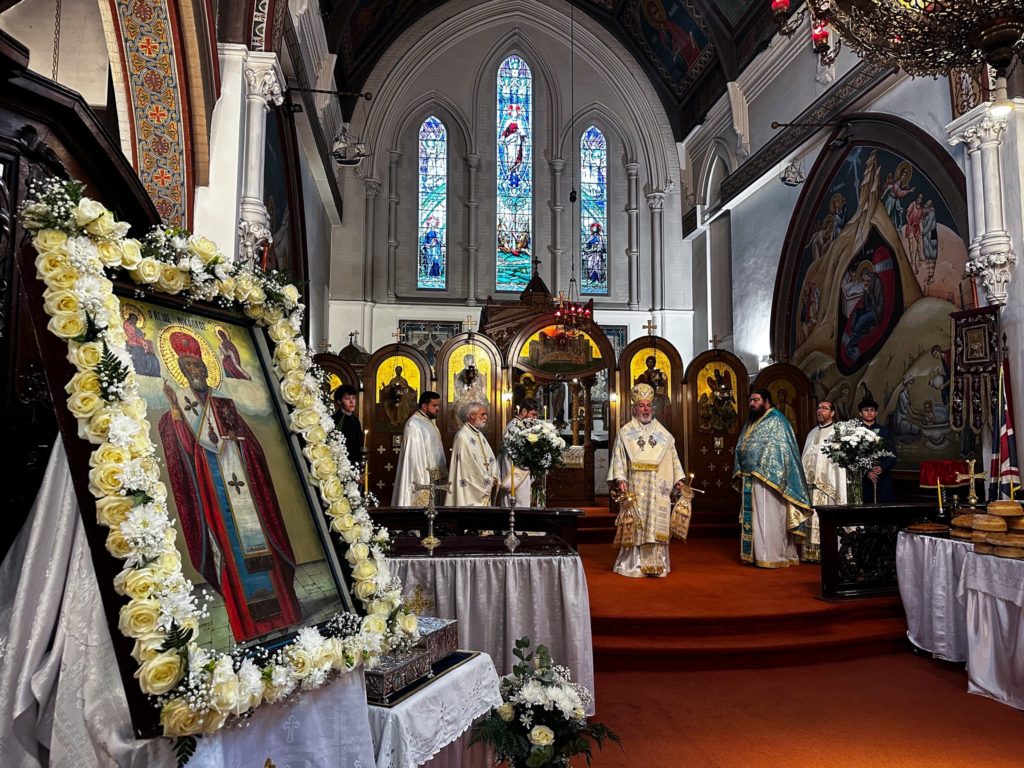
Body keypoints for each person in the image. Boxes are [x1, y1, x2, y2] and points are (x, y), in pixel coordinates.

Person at [157, 328, 302, 642]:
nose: (195, 371)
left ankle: (283, 615)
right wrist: (174, 410)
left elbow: (252, 448)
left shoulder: (224, 404)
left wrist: (238, 444)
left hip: (244, 492)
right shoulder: (180, 406)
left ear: (208, 370)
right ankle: (249, 625)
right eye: (188, 368)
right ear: (182, 373)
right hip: (214, 493)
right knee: (229, 549)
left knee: (260, 549)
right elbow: (183, 448)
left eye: (199, 366)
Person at [607, 384, 685, 578]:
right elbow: (618, 457)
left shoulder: (664, 435)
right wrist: (620, 478)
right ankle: (634, 564)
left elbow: (673, 459)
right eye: (641, 405)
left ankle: (656, 564)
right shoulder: (625, 432)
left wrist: (678, 480)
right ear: (635, 408)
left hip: (658, 485)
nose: (645, 409)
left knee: (655, 524)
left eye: (648, 405)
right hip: (635, 485)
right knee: (638, 524)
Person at [733, 389, 812, 568]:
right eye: (751, 400)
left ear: (766, 400)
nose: (752, 404)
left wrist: (764, 468)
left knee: (769, 517)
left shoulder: (777, 420)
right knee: (756, 518)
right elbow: (742, 445)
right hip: (752, 477)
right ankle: (756, 554)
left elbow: (782, 450)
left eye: (756, 400)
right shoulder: (752, 421)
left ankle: (773, 556)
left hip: (770, 480)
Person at [800, 401, 847, 563]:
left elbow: (838, 463)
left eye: (824, 408)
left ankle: (828, 552)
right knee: (811, 516)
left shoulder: (839, 432)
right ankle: (810, 554)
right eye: (818, 408)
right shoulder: (812, 432)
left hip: (828, 485)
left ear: (832, 413)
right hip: (810, 483)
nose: (820, 411)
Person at [392, 391, 447, 507]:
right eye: (435, 406)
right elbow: (414, 459)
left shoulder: (427, 422)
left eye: (438, 405)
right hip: (424, 479)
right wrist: (423, 481)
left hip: (435, 479)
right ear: (424, 406)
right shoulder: (414, 424)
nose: (438, 409)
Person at [445, 402, 499, 506]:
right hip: (469, 492)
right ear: (472, 416)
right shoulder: (462, 436)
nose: (486, 417)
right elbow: (468, 468)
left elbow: (490, 458)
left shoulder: (479, 434)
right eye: (482, 414)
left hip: (484, 489)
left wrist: (494, 474)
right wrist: (488, 480)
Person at [498, 397, 539, 508]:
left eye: (536, 415)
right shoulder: (513, 427)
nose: (534, 418)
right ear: (524, 411)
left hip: (522, 475)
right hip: (515, 476)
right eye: (533, 414)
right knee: (517, 506)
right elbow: (514, 455)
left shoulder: (522, 426)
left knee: (523, 505)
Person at [857, 397, 896, 502]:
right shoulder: (854, 432)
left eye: (872, 410)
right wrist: (866, 471)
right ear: (860, 413)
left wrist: (882, 468)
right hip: (862, 479)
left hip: (882, 477)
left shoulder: (885, 431)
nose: (869, 413)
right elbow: (851, 457)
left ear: (876, 413)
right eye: (866, 410)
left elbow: (892, 454)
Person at [333, 384, 363, 464]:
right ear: (339, 401)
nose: (352, 401)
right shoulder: (334, 420)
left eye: (353, 398)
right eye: (347, 398)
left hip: (355, 465)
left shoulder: (356, 420)